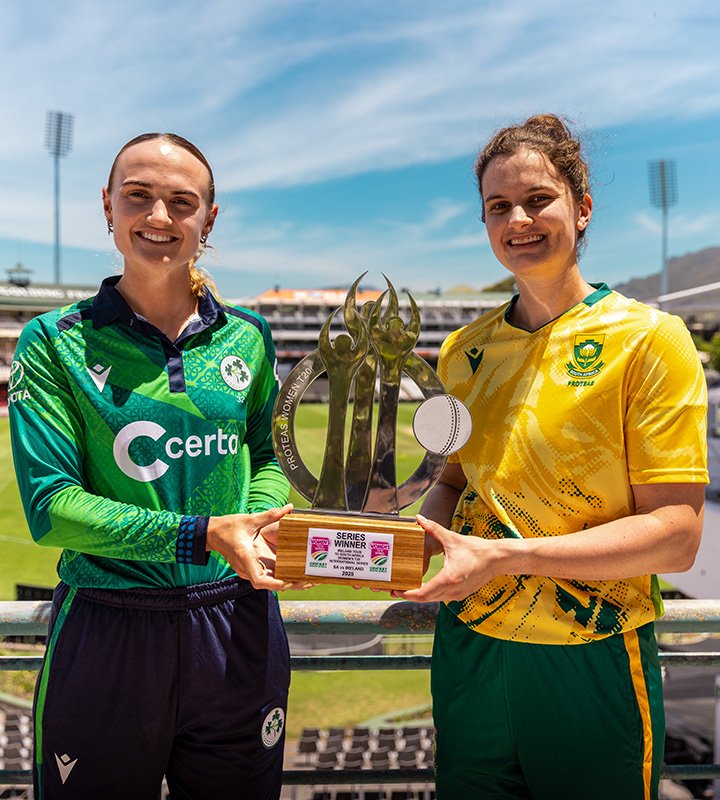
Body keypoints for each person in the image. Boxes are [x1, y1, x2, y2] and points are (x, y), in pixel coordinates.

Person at [398, 114, 708, 799]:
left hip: (589, 650)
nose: (518, 220)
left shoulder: (650, 339)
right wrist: (407, 543)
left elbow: (677, 536)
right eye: (498, 206)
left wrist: (509, 557)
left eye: (538, 199)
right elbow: (453, 481)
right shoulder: (463, 352)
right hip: (471, 646)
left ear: (582, 207)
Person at [9, 132, 295, 800]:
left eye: (181, 202)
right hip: (107, 626)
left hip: (236, 620)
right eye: (138, 196)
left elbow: (268, 455)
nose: (159, 216)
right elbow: (51, 508)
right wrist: (204, 534)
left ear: (209, 219)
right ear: (108, 206)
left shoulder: (249, 334)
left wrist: (257, 523)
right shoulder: (52, 342)